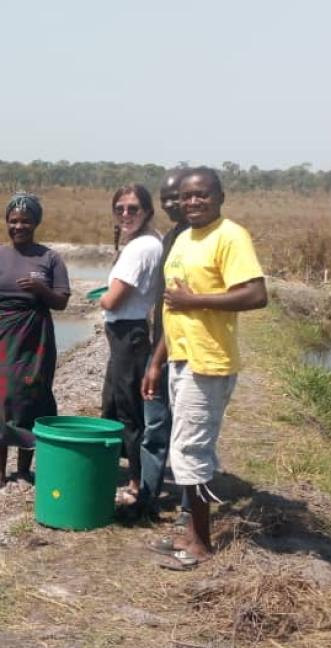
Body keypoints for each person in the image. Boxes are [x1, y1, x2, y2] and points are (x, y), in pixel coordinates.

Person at [142, 168, 267, 566]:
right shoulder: (183, 239)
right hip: (181, 357)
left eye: (202, 195)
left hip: (208, 361)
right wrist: (157, 361)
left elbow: (255, 294)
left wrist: (198, 302)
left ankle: (201, 544)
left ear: (220, 197)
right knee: (190, 448)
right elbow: (171, 305)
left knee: (189, 451)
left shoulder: (230, 236)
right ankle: (190, 532)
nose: (193, 202)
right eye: (187, 196)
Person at [0, 192, 71, 489]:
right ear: (6, 222)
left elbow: (61, 302)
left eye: (25, 221)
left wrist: (39, 289)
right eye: (13, 221)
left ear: (36, 223)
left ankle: (24, 469)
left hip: (36, 339)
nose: (18, 226)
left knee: (34, 398)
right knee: (1, 399)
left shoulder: (50, 258)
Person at [96, 184, 163, 509]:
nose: (125, 214)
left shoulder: (140, 248)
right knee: (113, 403)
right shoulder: (150, 241)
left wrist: (102, 300)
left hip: (128, 334)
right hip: (129, 332)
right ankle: (116, 471)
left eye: (133, 208)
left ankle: (137, 485)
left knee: (128, 412)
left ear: (147, 211)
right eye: (120, 208)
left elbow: (115, 296)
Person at [136, 170, 191, 520]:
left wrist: (156, 360)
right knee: (155, 428)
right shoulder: (172, 237)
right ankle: (148, 499)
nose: (173, 203)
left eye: (179, 196)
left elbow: (179, 308)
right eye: (167, 197)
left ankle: (190, 511)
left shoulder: (198, 239)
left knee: (186, 436)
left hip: (183, 351)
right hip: (162, 345)